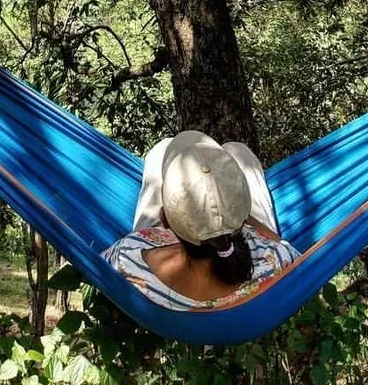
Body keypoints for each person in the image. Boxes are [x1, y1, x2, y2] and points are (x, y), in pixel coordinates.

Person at [103, 130, 300, 309]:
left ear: (164, 220)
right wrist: (237, 212)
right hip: (242, 246)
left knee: (160, 151)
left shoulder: (125, 260)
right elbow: (283, 246)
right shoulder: (276, 262)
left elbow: (100, 268)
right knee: (238, 151)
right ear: (243, 218)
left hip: (160, 260)